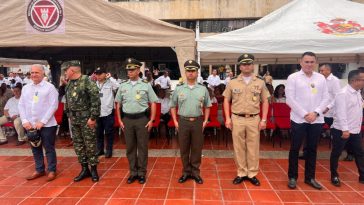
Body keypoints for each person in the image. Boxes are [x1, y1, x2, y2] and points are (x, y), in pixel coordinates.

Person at [223, 53, 270, 186]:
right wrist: (227, 118)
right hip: (237, 118)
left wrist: (264, 120)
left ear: (252, 65)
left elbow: (265, 101)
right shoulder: (232, 82)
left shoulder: (260, 82)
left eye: (249, 63)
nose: (247, 66)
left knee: (253, 147)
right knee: (238, 147)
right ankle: (241, 172)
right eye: (244, 64)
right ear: (240, 66)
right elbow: (226, 100)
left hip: (254, 119)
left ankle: (252, 173)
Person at [286, 52, 330, 190]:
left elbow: (326, 98)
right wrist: (305, 114)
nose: (309, 64)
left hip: (316, 120)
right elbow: (290, 99)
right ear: (300, 62)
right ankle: (292, 177)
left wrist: (316, 113)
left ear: (315, 62)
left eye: (312, 62)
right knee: (295, 149)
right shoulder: (293, 78)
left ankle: (310, 178)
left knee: (312, 149)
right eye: (306, 61)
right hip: (299, 119)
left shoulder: (321, 78)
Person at [115, 58, 158, 184]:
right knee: (130, 148)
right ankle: (133, 172)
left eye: (132, 69)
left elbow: (154, 102)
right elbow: (118, 104)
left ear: (138, 70)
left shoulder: (146, 85)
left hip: (142, 119)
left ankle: (142, 173)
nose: (129, 72)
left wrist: (152, 120)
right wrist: (119, 120)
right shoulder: (123, 86)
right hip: (127, 120)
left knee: (143, 147)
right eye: (128, 70)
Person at [170, 60, 211, 184]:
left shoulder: (203, 89)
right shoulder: (179, 89)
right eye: (188, 71)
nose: (191, 73)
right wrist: (175, 122)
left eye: (193, 71)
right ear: (185, 73)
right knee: (184, 149)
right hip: (183, 122)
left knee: (197, 148)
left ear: (197, 73)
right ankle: (186, 172)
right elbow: (172, 106)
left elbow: (207, 106)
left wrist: (205, 121)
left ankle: (196, 172)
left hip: (198, 121)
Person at [18, 64, 59, 181]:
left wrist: (43, 121)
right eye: (32, 73)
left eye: (36, 72)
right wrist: (25, 120)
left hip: (47, 125)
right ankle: (39, 169)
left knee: (49, 148)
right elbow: (21, 105)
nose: (34, 75)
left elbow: (53, 106)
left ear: (43, 73)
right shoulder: (26, 88)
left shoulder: (50, 87)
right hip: (30, 125)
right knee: (35, 147)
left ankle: (51, 170)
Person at [63, 60, 101, 182]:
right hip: (74, 120)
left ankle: (94, 169)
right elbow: (67, 101)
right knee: (78, 145)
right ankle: (85, 169)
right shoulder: (69, 83)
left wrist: (93, 118)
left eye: (66, 70)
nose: (65, 73)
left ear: (72, 70)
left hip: (87, 119)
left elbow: (96, 101)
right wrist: (68, 114)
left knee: (90, 145)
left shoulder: (87, 81)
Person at [329, 69, 364, 187]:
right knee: (337, 153)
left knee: (359, 153)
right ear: (355, 80)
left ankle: (362, 176)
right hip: (342, 130)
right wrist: (345, 129)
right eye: (362, 79)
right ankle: (334, 175)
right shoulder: (343, 93)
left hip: (355, 129)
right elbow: (341, 113)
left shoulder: (357, 92)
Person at [94, 67, 119, 158]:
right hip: (97, 112)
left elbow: (118, 86)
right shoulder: (94, 84)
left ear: (105, 74)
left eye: (100, 74)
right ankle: (100, 150)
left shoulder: (110, 83)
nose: (98, 76)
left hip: (108, 112)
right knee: (98, 133)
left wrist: (110, 78)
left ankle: (109, 150)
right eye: (97, 74)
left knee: (109, 132)